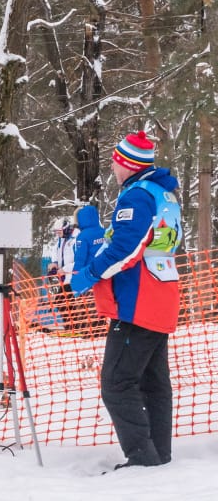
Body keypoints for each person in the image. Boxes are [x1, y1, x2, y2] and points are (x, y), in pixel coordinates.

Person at [70, 131, 182, 469]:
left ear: (126, 164)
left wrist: (90, 274)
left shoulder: (136, 196)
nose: (112, 168)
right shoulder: (164, 194)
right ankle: (158, 456)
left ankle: (142, 458)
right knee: (152, 382)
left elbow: (126, 249)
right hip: (160, 294)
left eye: (115, 161)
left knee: (116, 384)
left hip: (138, 301)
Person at [69, 203, 106, 337]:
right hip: (105, 275)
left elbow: (80, 259)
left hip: (88, 276)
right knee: (100, 305)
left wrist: (76, 279)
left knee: (86, 307)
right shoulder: (104, 232)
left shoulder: (82, 237)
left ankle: (87, 333)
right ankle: (101, 330)